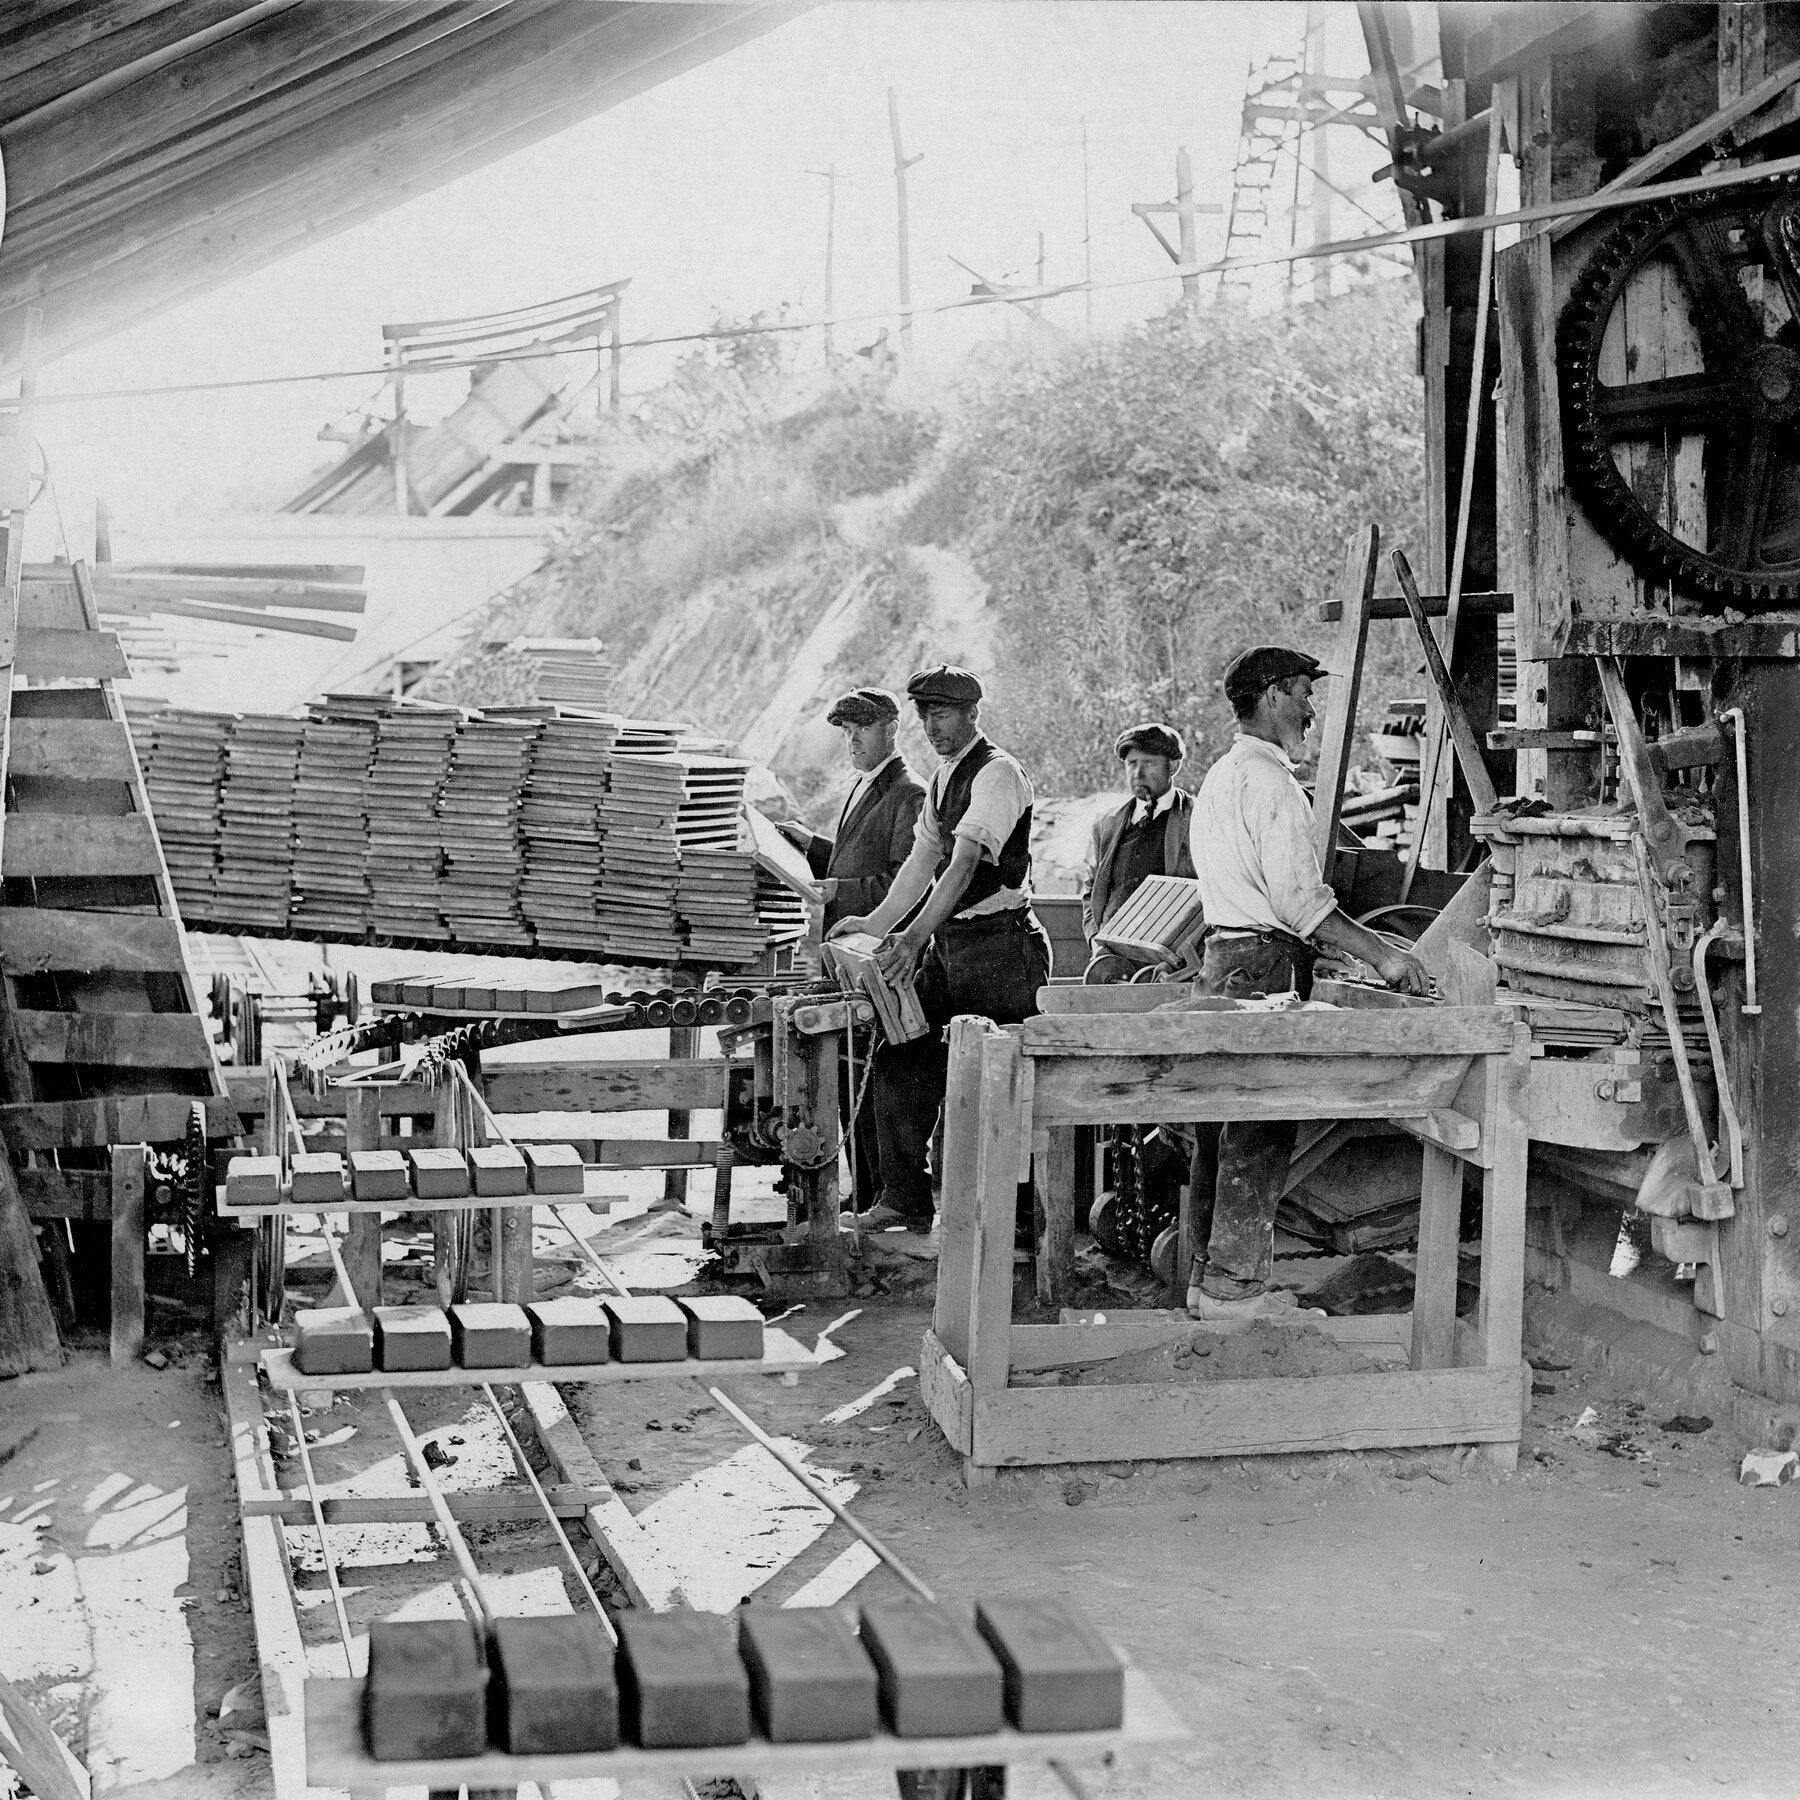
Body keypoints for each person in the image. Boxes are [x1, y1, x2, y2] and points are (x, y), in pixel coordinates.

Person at [1186, 645, 1430, 1322]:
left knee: (1221, 1127)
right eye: (1300, 693)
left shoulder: (1221, 776)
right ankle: (1236, 1295)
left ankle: (1206, 1283)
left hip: (1223, 958)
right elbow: (1302, 905)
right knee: (1259, 1129)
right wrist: (1384, 956)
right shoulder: (1271, 785)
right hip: (1261, 964)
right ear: (1269, 698)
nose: (1311, 709)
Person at [829, 664, 1051, 1230]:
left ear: (972, 713)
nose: (933, 725)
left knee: (1001, 1083)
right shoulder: (945, 777)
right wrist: (875, 923)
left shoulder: (997, 774)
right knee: (900, 1057)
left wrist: (913, 936)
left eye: (943, 713)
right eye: (925, 715)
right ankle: (905, 1199)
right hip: (953, 947)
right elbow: (921, 861)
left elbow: (963, 863)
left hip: (1003, 949)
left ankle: (1018, 1223)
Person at [777, 688, 926, 1215]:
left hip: (882, 957)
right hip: (852, 958)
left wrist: (840, 888)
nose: (853, 740)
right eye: (846, 730)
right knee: (851, 1075)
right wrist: (810, 845)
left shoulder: (908, 793)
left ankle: (891, 1194)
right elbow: (854, 858)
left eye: (862, 728)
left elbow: (905, 883)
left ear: (891, 728)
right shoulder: (866, 788)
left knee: (878, 1080)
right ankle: (867, 1192)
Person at [1080, 721, 1197, 983]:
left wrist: (1180, 957)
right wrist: (1098, 945)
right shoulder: (1106, 823)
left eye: (1149, 763)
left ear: (1173, 766)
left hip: (1171, 965)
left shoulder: (1198, 819)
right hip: (1115, 960)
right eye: (1132, 764)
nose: (1138, 773)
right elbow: (1090, 893)